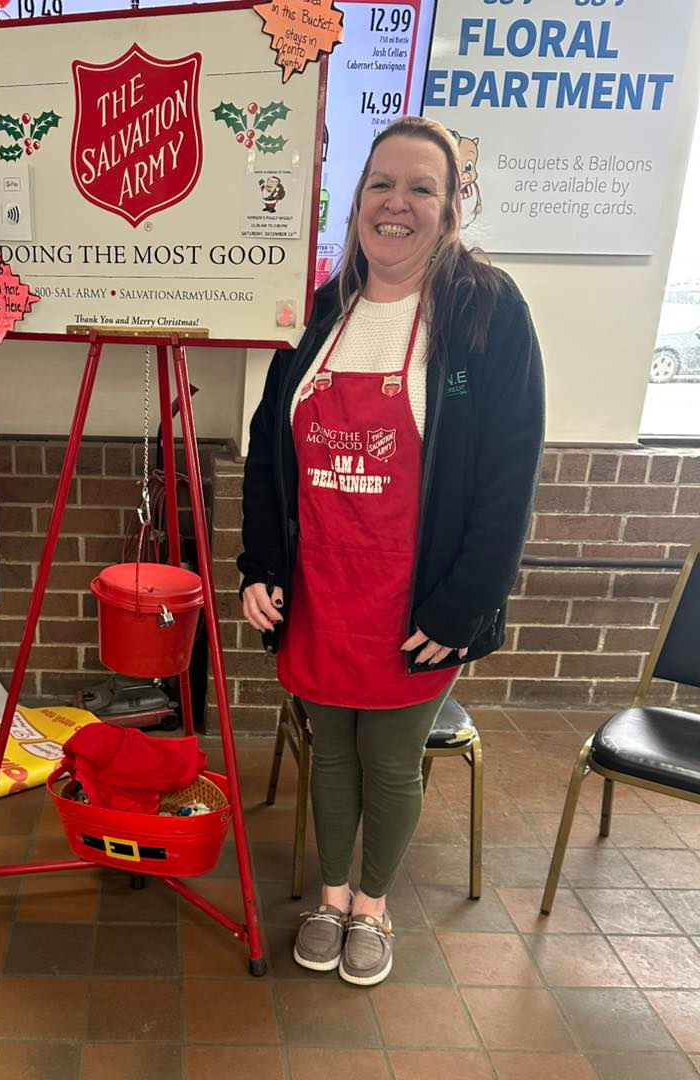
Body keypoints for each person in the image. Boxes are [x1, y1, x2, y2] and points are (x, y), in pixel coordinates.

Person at [239, 115, 544, 986]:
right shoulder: (321, 311)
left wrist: (464, 605)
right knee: (329, 750)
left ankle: (374, 907)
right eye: (382, 185)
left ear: (451, 211)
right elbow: (270, 452)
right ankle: (331, 897)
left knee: (388, 757)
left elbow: (507, 475)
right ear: (357, 201)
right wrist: (261, 565)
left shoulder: (487, 311)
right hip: (322, 588)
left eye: (421, 188)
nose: (397, 204)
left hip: (420, 602)